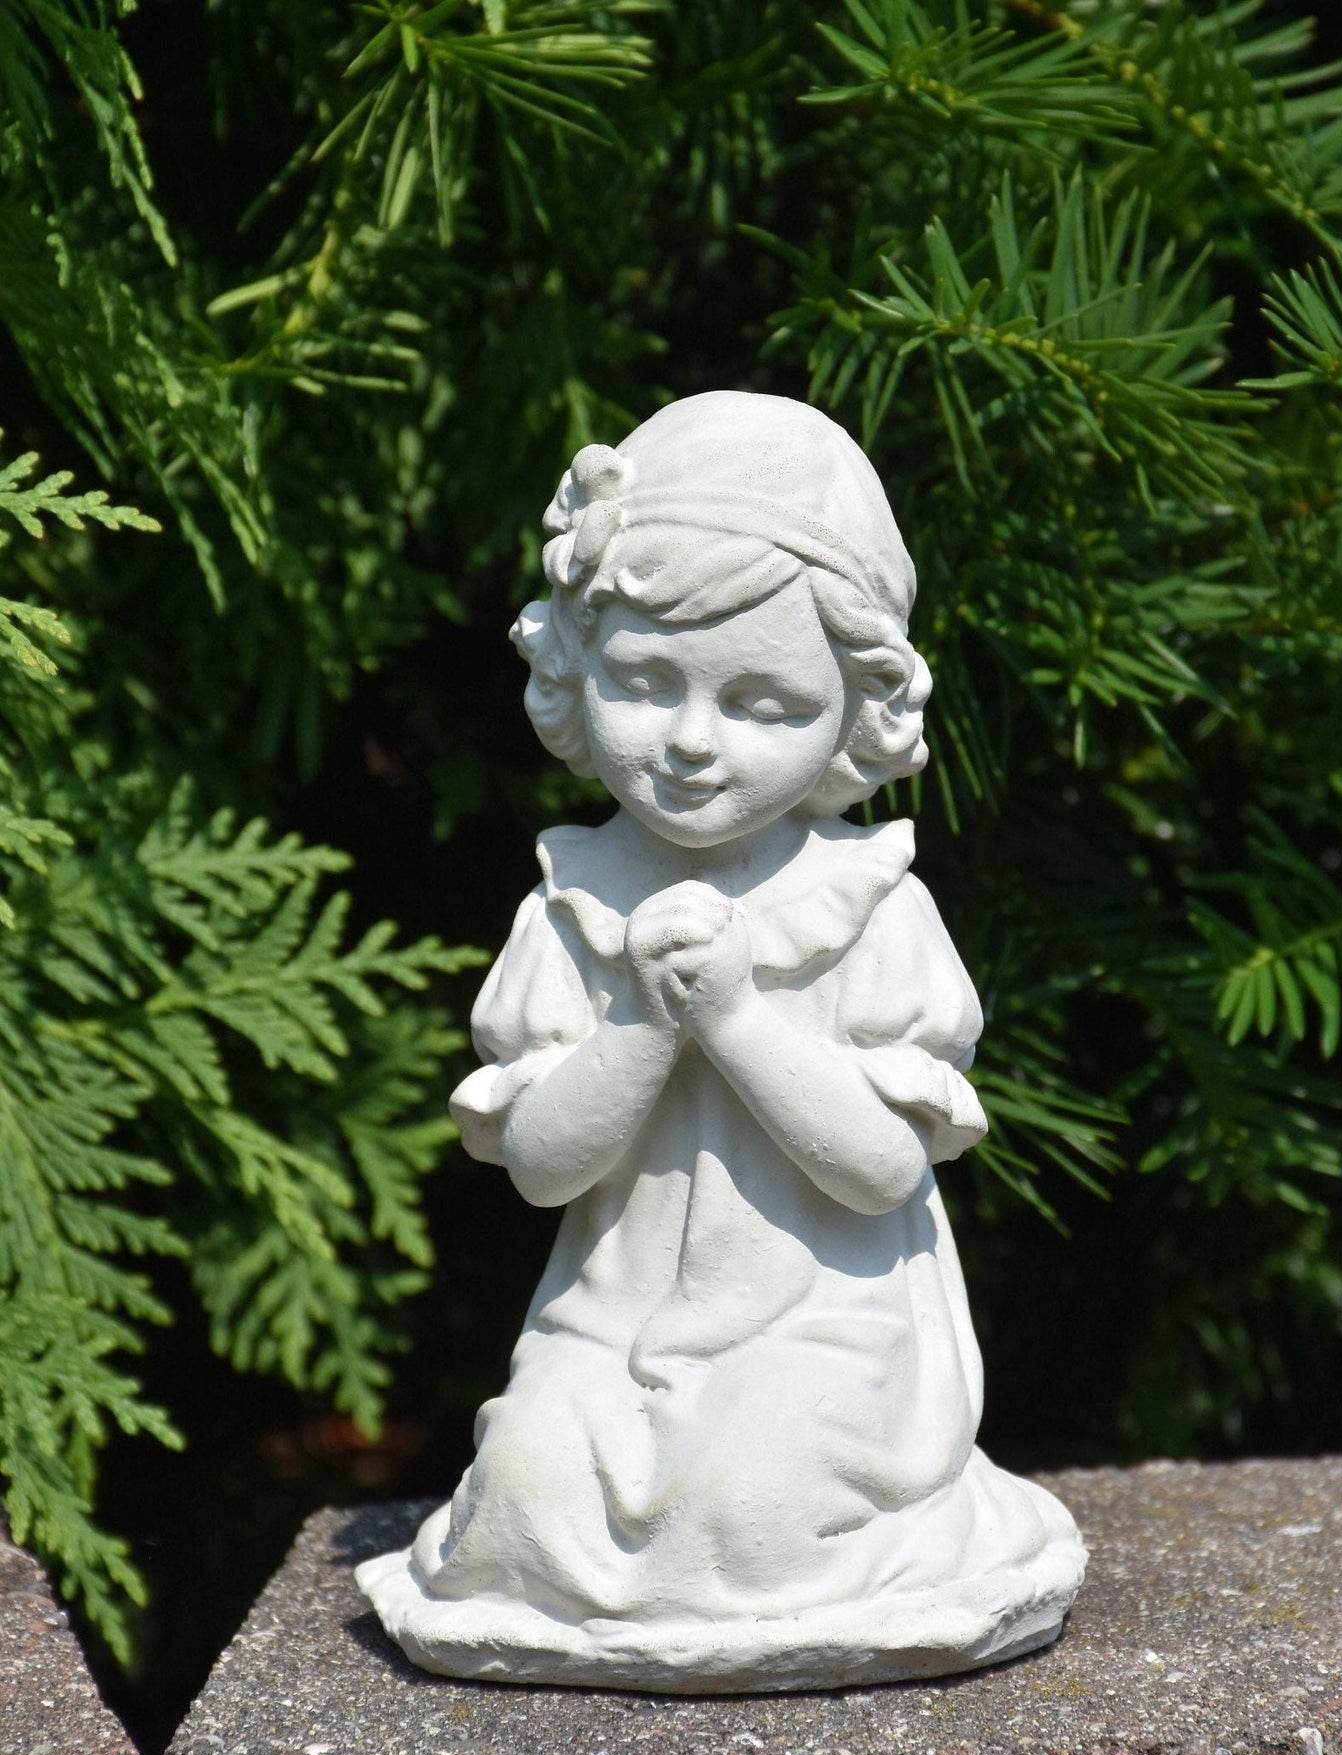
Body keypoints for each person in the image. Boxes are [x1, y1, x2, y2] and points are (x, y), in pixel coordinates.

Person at [356, 392, 1085, 1689]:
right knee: (519, 1497)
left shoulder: (869, 910)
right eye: (644, 683)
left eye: (760, 703)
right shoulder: (573, 904)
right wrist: (640, 1021)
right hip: (612, 1319)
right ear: (580, 666)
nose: (690, 744)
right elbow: (540, 1166)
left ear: (853, 714)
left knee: (740, 1520)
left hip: (826, 1324)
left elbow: (878, 1173)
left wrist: (738, 1019)